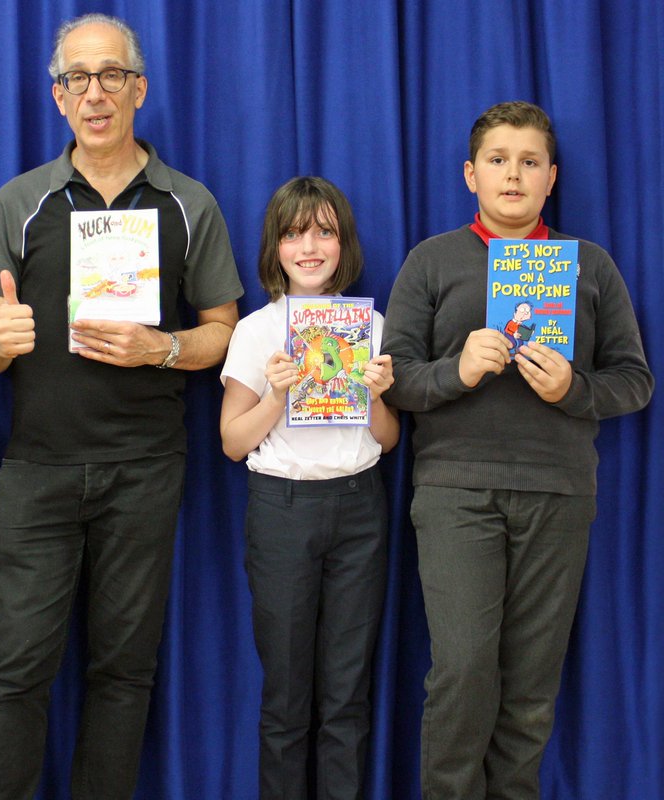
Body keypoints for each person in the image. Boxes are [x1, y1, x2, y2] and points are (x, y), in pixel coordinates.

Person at [0, 13, 243, 800]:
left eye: (111, 75)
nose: (95, 93)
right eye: (76, 79)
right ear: (57, 97)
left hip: (145, 471)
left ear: (139, 89)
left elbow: (223, 331)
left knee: (124, 671)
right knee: (16, 668)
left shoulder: (190, 204)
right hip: (36, 471)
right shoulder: (19, 202)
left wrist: (164, 348)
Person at [380, 101, 654, 798]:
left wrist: (574, 387)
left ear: (551, 177)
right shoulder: (432, 260)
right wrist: (457, 370)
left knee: (531, 686)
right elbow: (393, 379)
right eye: (498, 160)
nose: (513, 174)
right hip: (455, 494)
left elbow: (635, 381)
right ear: (470, 175)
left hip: (558, 495)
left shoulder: (588, 266)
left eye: (529, 162)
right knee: (465, 672)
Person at [220, 177, 398, 799]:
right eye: (295, 234)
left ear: (343, 243)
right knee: (288, 695)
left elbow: (389, 437)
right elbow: (233, 442)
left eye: (324, 231)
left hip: (358, 506)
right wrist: (277, 394)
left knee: (347, 693)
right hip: (283, 509)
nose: (311, 247)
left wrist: (376, 396)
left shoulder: (369, 325)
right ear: (276, 247)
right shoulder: (255, 331)